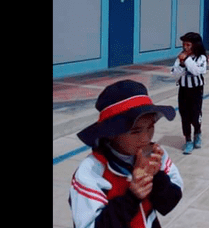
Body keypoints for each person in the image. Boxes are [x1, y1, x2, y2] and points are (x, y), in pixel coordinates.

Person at [70, 80, 183, 228]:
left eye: (150, 127)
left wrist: (158, 176)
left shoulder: (156, 156)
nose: (146, 138)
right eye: (135, 131)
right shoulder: (91, 172)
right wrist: (132, 197)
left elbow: (168, 204)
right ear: (111, 133)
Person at [171, 32, 207, 154]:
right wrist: (181, 64)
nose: (185, 47)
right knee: (184, 115)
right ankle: (188, 140)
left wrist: (186, 60)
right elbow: (175, 74)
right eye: (184, 44)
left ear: (195, 45)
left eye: (188, 44)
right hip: (184, 90)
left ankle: (198, 132)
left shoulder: (201, 58)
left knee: (195, 115)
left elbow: (196, 71)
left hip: (196, 90)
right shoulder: (180, 58)